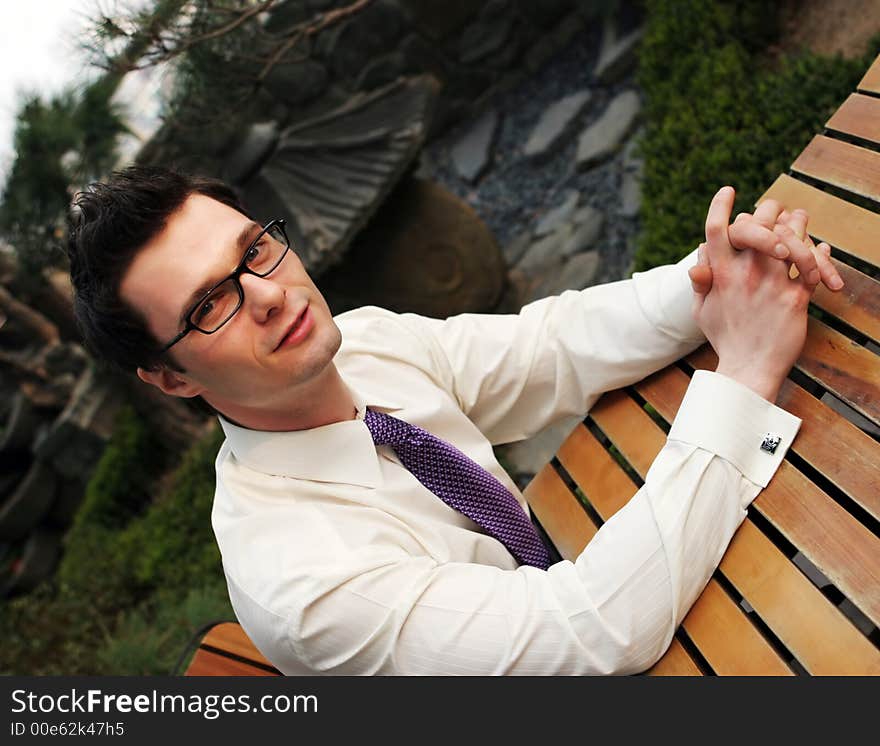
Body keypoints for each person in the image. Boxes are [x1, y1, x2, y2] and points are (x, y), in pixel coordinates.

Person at [66, 166, 842, 675]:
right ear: (169, 376)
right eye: (210, 305)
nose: (266, 294)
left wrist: (710, 282)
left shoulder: (362, 343)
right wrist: (743, 372)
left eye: (254, 251)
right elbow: (594, 633)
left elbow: (552, 349)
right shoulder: (303, 585)